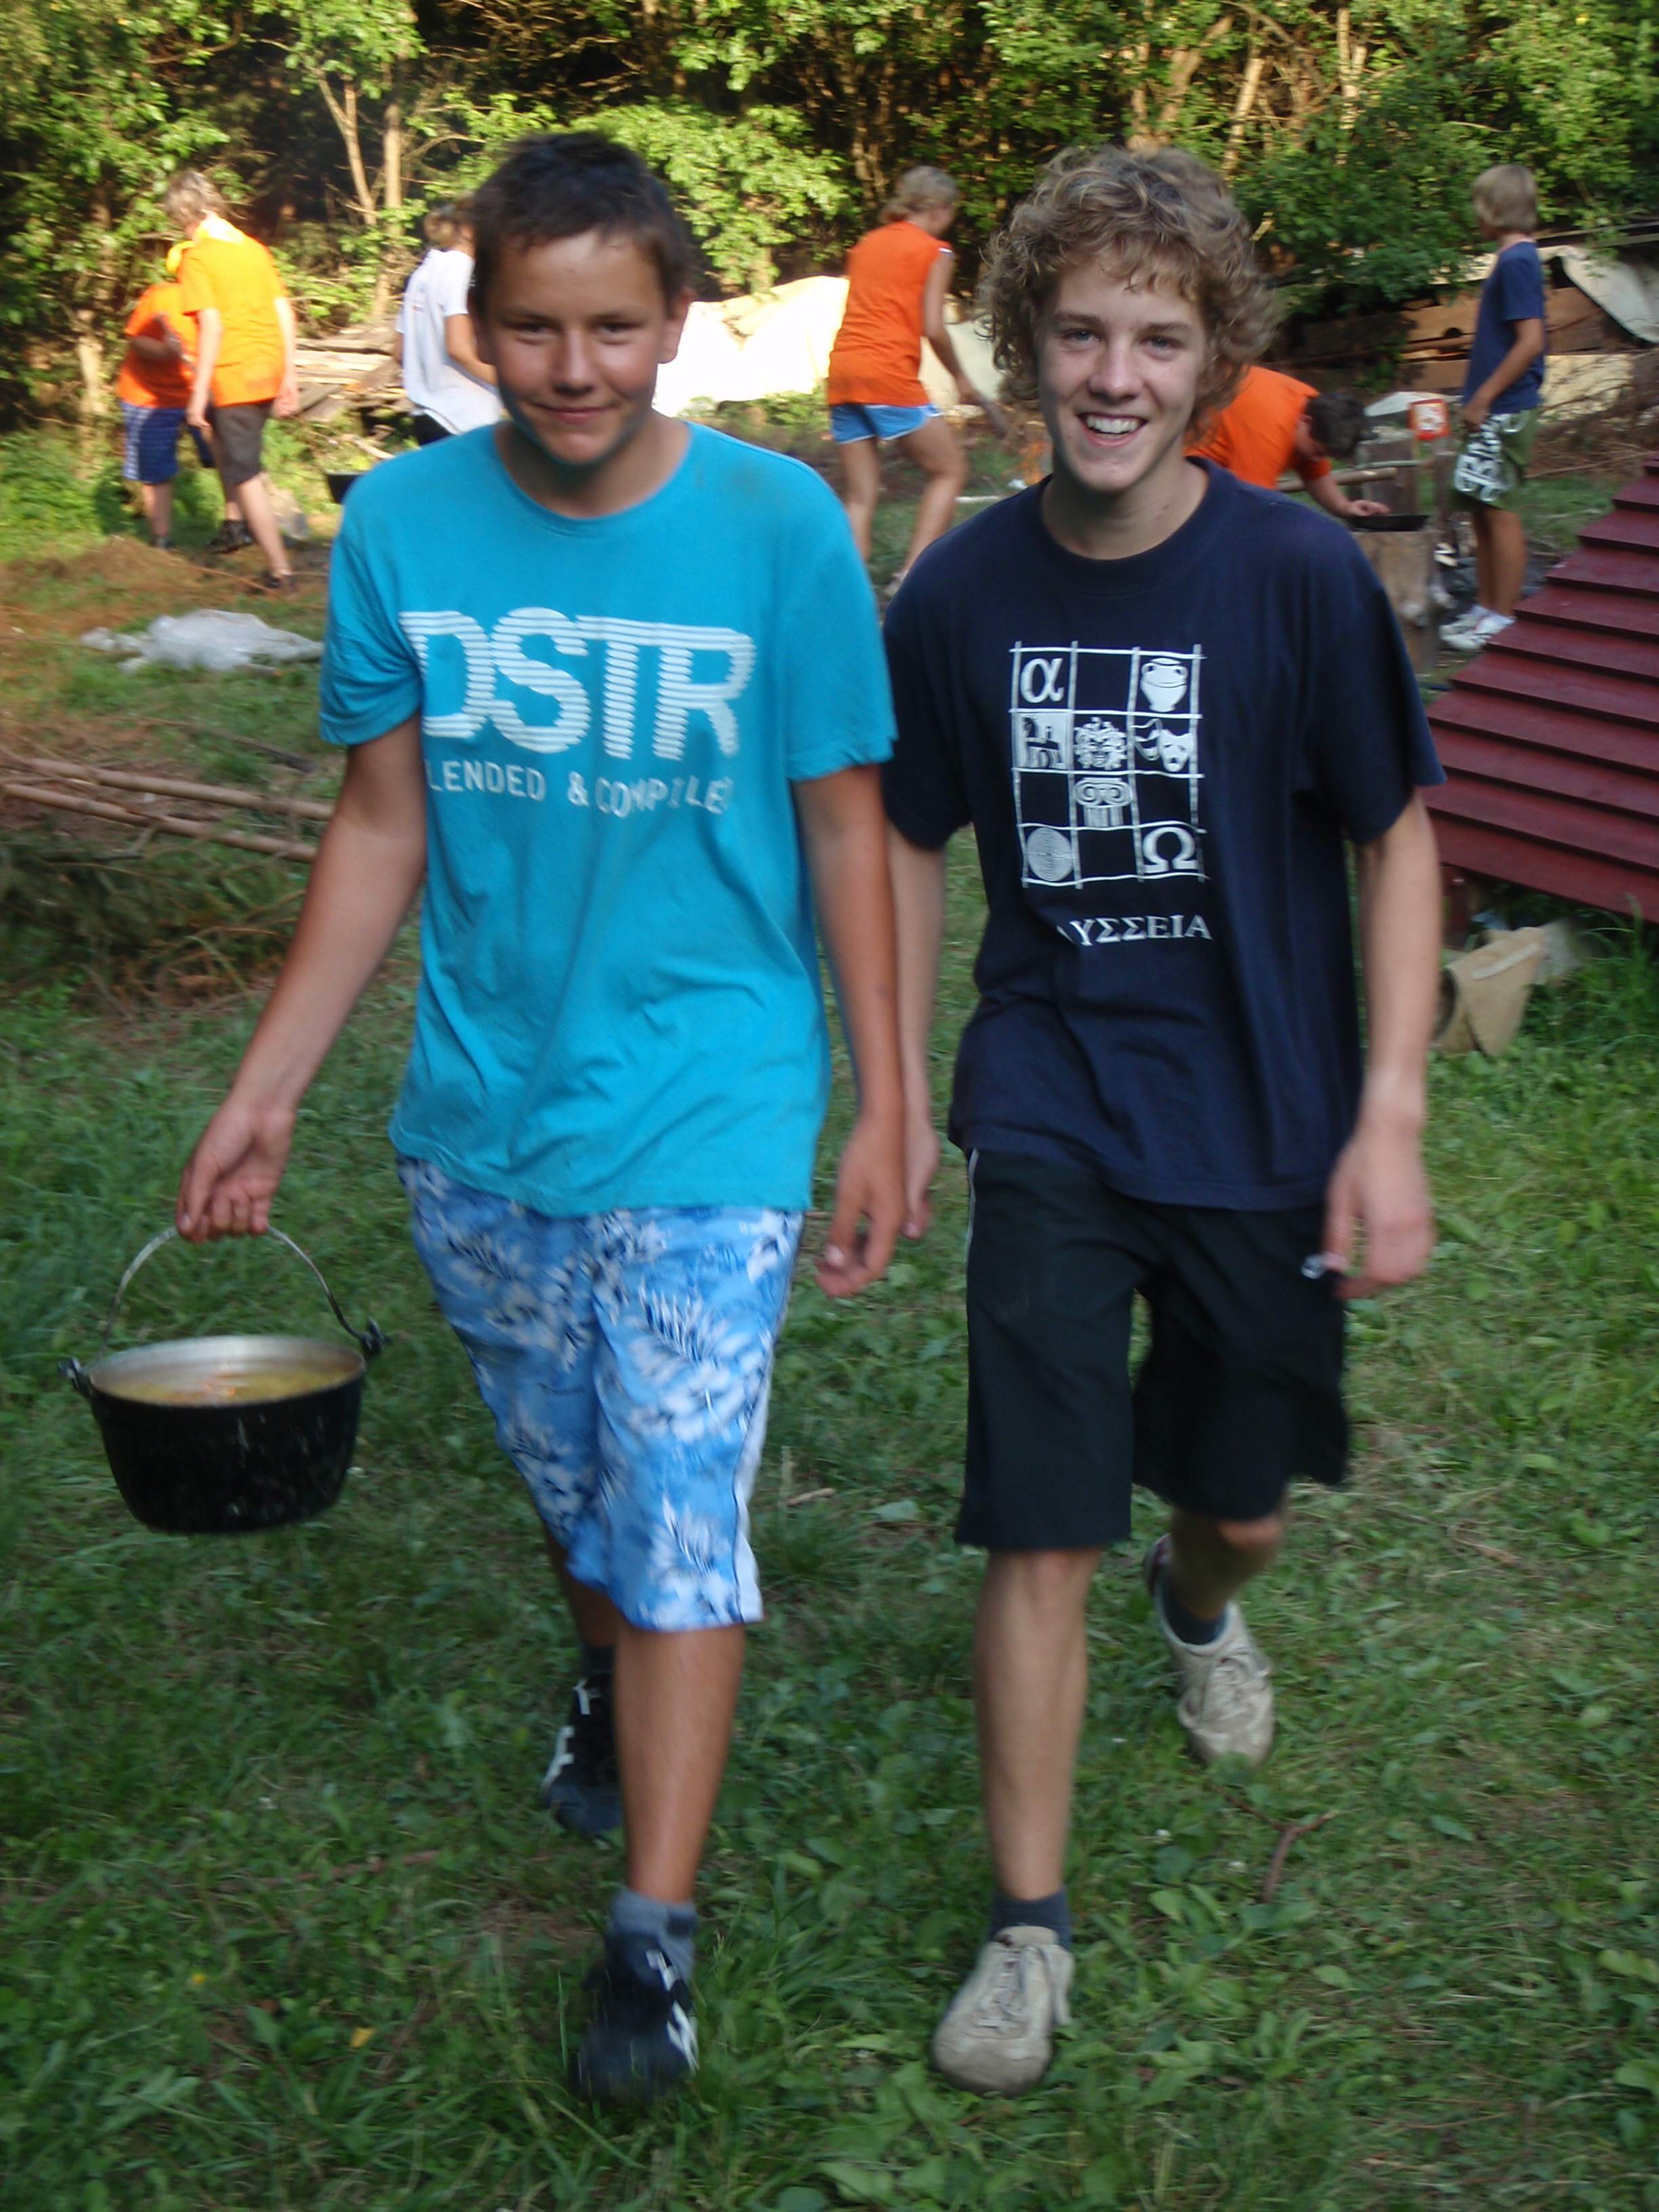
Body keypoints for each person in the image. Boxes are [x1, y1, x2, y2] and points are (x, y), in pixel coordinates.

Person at [173, 131, 904, 2109]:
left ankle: (650, 1934)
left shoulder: (776, 529)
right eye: (532, 329)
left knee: (675, 1499)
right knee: (580, 1483)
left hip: (714, 1097)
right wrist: (266, 1090)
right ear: (469, 329)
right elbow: (381, 825)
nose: (576, 369)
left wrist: (886, 1097)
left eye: (614, 327)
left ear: (679, 324)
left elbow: (847, 824)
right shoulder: (406, 525)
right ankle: (605, 1666)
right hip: (481, 1111)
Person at [882, 145, 1443, 2097]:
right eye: (1077, 333)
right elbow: (907, 836)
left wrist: (1388, 1115)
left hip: (1264, 1117)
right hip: (1051, 1101)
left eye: (1155, 338)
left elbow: (1394, 836)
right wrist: (897, 1092)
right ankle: (1026, 1929)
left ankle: (1199, 1607)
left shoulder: (1294, 576)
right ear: (1023, 346)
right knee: (1037, 1528)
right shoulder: (959, 593)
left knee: (1244, 1506)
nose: (1111, 375)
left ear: (1213, 362)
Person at [826, 165, 1006, 592]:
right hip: (887, 374)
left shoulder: (867, 245)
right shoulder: (935, 250)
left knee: (860, 496)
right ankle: (912, 577)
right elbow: (932, 326)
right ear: (940, 208)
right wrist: (960, 377)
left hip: (843, 374)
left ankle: (845, 593)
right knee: (949, 470)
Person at [163, 171, 301, 591]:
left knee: (246, 474)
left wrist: (198, 394)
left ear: (185, 216)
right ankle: (247, 533)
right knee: (241, 458)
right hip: (269, 366)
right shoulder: (254, 249)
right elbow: (285, 313)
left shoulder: (198, 258)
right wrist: (290, 374)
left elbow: (212, 327)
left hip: (236, 373)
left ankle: (280, 572)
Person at [1441, 165, 1547, 652]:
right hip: (1490, 409)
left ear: (1497, 208)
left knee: (1499, 510)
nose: (1474, 214)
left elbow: (1531, 342)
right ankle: (1485, 608)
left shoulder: (1519, 261)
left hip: (1504, 409)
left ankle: (1504, 615)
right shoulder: (1509, 259)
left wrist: (1484, 397)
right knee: (1481, 509)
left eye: (1479, 205)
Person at [1193, 366, 1390, 520]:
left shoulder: (1313, 406)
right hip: (1188, 464)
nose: (1317, 460)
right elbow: (1254, 505)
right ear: (1306, 422)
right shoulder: (1270, 427)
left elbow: (1315, 473)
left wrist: (1345, 507)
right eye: (1318, 452)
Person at [116, 270, 213, 549]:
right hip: (149, 397)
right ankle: (162, 541)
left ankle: (241, 528)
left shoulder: (224, 302)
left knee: (230, 459)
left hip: (202, 393)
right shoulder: (162, 297)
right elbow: (136, 339)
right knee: (155, 470)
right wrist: (165, 352)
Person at [393, 198, 501, 444]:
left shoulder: (423, 272)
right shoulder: (462, 269)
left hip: (425, 417)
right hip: (464, 420)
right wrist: (514, 386)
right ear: (469, 230)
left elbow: (399, 352)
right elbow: (458, 349)